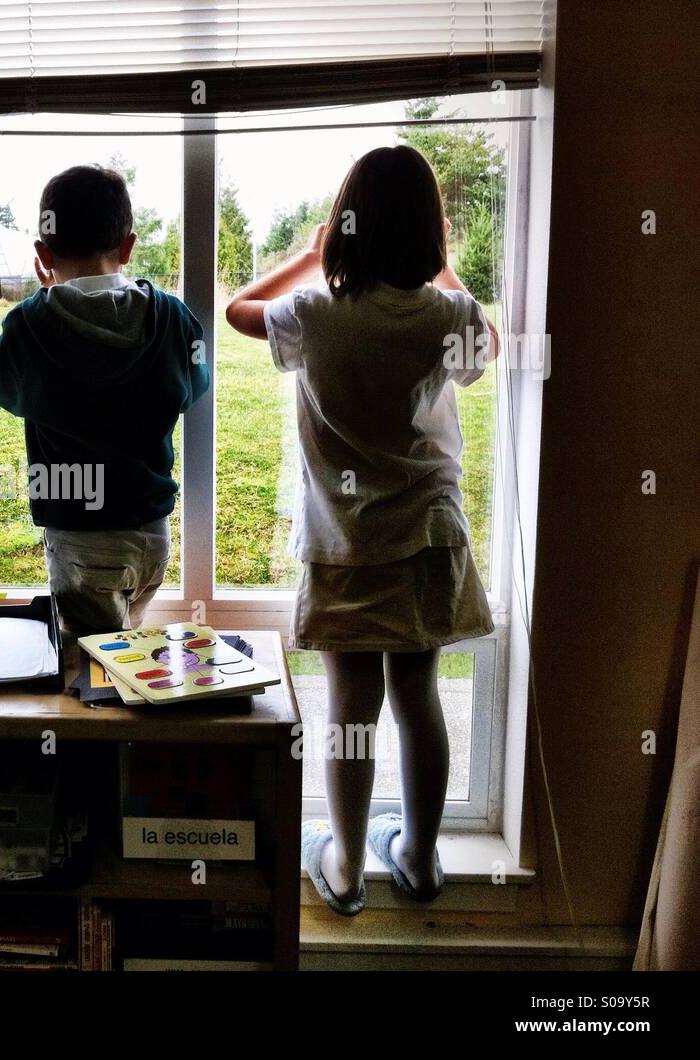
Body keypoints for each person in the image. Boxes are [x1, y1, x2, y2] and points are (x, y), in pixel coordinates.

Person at [225, 145, 499, 915]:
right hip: (430, 539)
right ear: (431, 233)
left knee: (350, 708)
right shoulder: (449, 313)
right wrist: (441, 267)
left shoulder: (314, 313)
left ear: (345, 230)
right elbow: (492, 346)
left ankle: (345, 866)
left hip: (346, 541)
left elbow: (238, 310)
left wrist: (303, 258)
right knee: (420, 698)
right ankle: (417, 856)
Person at [0, 163, 208, 635]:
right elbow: (193, 386)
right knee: (127, 660)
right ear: (127, 246)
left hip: (81, 543)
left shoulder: (30, 325)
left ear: (43, 251)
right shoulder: (173, 317)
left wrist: (49, 300)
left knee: (94, 678)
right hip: (151, 537)